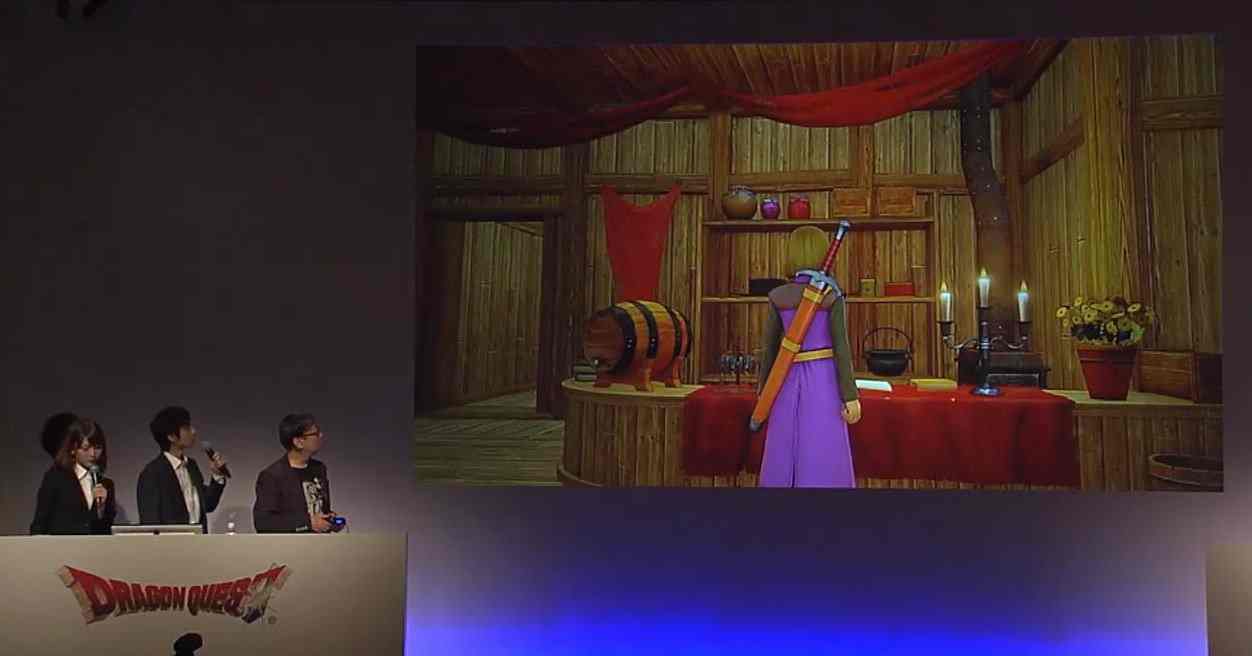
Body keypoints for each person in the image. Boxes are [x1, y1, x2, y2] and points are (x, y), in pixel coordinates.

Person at [757, 226, 862, 488]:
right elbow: (841, 348)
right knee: (822, 445)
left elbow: (769, 350)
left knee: (785, 447)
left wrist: (763, 394)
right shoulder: (831, 296)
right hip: (823, 380)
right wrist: (850, 395)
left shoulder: (779, 296)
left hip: (783, 380)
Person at [137, 406, 228, 534]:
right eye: (186, 428)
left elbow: (207, 504)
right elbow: (150, 522)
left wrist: (217, 475)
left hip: (199, 540)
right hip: (172, 543)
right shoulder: (152, 473)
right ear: (171, 436)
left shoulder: (191, 466)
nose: (193, 431)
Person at [30, 418, 117, 534]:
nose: (93, 454)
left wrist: (101, 508)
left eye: (97, 448)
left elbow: (106, 530)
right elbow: (40, 523)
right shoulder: (56, 478)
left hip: (94, 545)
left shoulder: (106, 485)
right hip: (63, 544)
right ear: (73, 449)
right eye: (86, 448)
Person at [253, 413, 335, 533]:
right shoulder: (272, 476)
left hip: (322, 542)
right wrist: (308, 524)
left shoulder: (319, 469)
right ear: (298, 442)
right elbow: (264, 523)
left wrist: (329, 519)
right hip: (292, 543)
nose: (321, 435)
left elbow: (320, 509)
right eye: (315, 434)